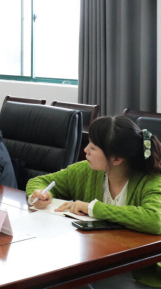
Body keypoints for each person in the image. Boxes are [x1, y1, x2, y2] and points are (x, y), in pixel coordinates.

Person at [27, 116, 161, 288]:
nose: (85, 150)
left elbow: (155, 220)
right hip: (96, 260)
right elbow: (40, 181)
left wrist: (92, 208)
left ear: (116, 159)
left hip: (140, 272)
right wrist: (39, 193)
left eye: (92, 148)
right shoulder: (87, 171)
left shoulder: (151, 179)